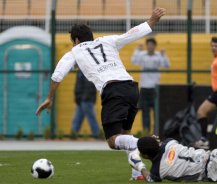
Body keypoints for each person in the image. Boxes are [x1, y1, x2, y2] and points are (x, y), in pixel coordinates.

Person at [35, 7, 166, 180]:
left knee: (113, 141)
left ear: (75, 40)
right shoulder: (107, 40)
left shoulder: (75, 51)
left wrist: (49, 97)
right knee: (125, 135)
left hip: (113, 90)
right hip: (131, 87)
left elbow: (58, 74)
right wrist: (152, 21)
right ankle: (137, 173)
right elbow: (131, 34)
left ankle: (150, 143)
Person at [131, 38, 170, 133]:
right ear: (147, 45)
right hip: (144, 87)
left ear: (154, 46)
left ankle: (156, 132)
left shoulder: (158, 55)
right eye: (148, 44)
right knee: (145, 112)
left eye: (152, 45)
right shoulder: (142, 54)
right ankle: (146, 132)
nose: (150, 46)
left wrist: (164, 55)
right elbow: (134, 61)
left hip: (155, 88)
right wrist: (137, 50)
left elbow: (166, 65)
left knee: (156, 112)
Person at [71, 69, 100, 138]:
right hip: (81, 100)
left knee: (91, 118)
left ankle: (97, 135)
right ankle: (73, 135)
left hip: (86, 100)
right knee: (77, 119)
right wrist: (78, 98)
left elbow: (89, 86)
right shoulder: (80, 71)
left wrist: (84, 98)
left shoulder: (87, 70)